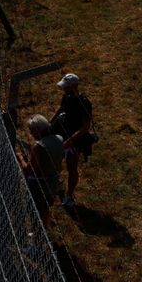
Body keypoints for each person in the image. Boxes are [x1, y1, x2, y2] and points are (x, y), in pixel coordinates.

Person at [51, 73, 94, 207]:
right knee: (54, 161)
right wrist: (51, 121)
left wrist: (71, 140)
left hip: (75, 140)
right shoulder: (67, 97)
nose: (64, 89)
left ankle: (69, 195)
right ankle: (57, 183)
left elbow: (85, 126)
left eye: (66, 87)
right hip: (62, 134)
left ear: (74, 86)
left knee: (71, 166)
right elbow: (61, 107)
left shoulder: (84, 103)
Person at [18, 115, 66, 226]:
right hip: (53, 181)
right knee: (46, 207)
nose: (31, 134)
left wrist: (20, 158)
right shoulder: (59, 139)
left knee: (35, 210)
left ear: (38, 130)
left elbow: (29, 170)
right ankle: (45, 226)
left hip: (38, 184)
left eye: (32, 131)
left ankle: (38, 232)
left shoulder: (39, 146)